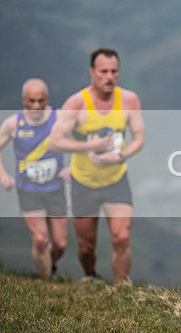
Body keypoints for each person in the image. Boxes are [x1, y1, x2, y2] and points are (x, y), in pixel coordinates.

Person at [50, 48, 144, 283]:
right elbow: (55, 141)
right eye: (104, 72)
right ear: (92, 72)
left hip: (116, 180)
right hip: (84, 183)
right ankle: (90, 276)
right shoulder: (76, 103)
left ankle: (122, 288)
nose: (109, 77)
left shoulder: (129, 100)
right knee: (86, 247)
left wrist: (120, 156)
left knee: (122, 238)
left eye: (114, 71)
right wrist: (89, 146)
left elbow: (139, 138)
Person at [0, 78, 69, 278]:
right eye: (32, 101)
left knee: (60, 244)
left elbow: (82, 141)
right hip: (29, 191)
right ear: (24, 100)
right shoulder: (13, 123)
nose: (37, 106)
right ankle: (47, 284)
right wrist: (3, 175)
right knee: (40, 239)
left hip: (55, 189)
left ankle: (48, 265)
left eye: (41, 100)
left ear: (47, 98)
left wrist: (73, 167)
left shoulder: (59, 118)